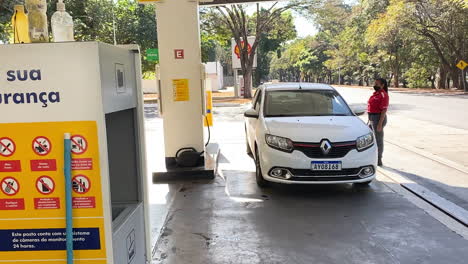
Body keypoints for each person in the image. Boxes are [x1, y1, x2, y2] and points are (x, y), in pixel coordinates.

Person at [367, 78, 389, 166]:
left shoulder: (384, 95)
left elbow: (384, 110)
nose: (375, 85)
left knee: (378, 140)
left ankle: (378, 159)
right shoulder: (376, 94)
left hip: (378, 118)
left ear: (382, 85)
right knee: (371, 139)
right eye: (375, 83)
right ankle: (372, 157)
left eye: (377, 84)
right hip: (372, 118)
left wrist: (380, 123)